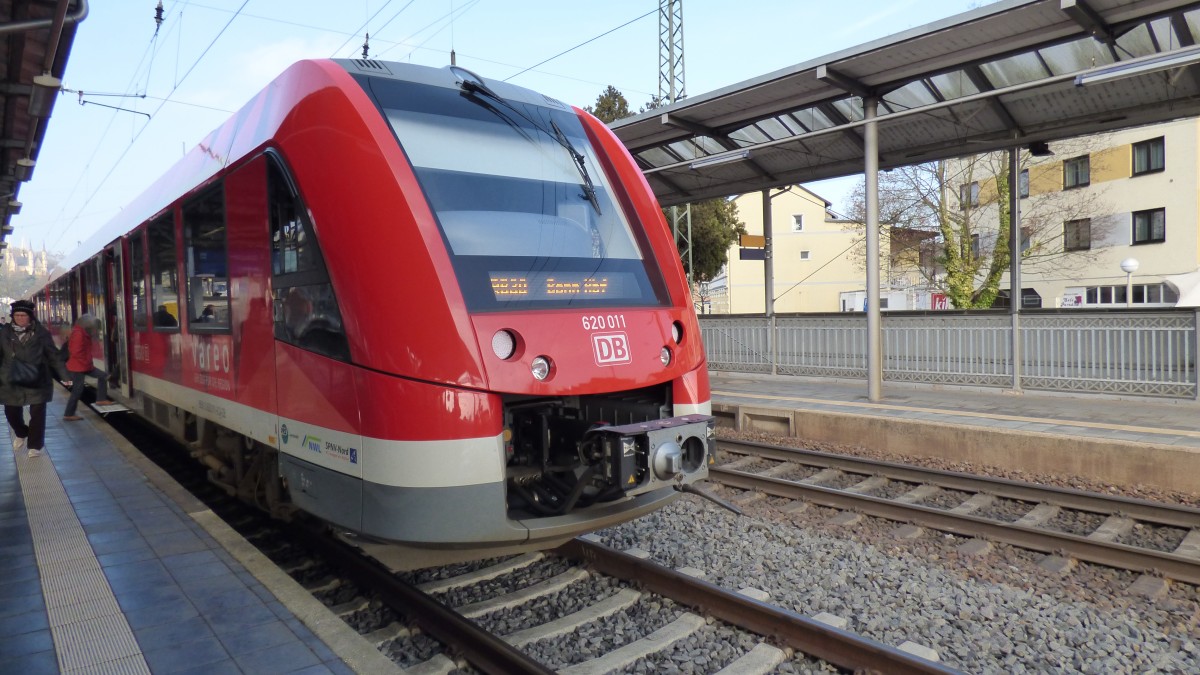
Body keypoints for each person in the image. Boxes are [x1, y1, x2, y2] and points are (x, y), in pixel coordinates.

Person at [1, 300, 71, 458]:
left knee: (38, 412)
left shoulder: (41, 333)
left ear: (30, 316)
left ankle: (35, 445)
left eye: (23, 315)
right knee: (11, 411)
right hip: (11, 378)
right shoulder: (4, 333)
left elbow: (53, 355)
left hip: (37, 377)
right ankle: (21, 432)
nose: (19, 318)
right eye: (17, 315)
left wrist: (64, 375)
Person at [63, 314, 114, 421]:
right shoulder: (78, 334)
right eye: (94, 327)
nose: (95, 329)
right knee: (77, 391)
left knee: (103, 376)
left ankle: (101, 399)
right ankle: (68, 414)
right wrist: (86, 362)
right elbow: (75, 351)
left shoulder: (81, 332)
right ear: (88, 325)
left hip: (84, 365)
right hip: (78, 367)